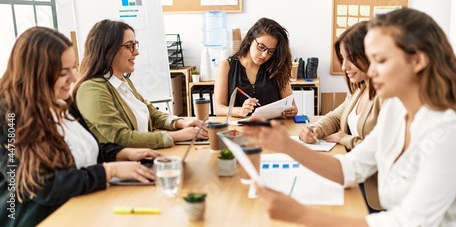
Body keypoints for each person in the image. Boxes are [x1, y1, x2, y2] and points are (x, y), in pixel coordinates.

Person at [243, 8, 456, 226]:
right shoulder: (396, 111)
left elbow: (406, 223)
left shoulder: (450, 129)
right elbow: (350, 168)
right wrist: (284, 144)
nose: (371, 71)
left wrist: (300, 214)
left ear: (418, 60)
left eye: (380, 60)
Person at [0, 27, 160, 227]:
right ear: (36, 74)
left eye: (74, 68)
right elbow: (41, 186)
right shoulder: (9, 117)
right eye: (63, 73)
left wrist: (121, 153)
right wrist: (108, 171)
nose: (74, 78)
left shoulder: (61, 101)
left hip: (85, 205)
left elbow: (84, 148)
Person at [73, 19, 208, 149]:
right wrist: (177, 136)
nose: (136, 52)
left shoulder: (123, 82)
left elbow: (151, 113)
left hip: (142, 156)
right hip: (121, 166)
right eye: (129, 46)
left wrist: (181, 122)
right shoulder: (91, 90)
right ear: (108, 51)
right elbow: (121, 138)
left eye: (135, 45)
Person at [299, 21, 384, 213]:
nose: (344, 66)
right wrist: (316, 129)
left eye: (350, 59)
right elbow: (336, 117)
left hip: (374, 191)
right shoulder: (360, 89)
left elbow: (383, 152)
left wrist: (345, 139)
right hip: (355, 176)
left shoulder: (385, 97)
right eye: (342, 59)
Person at [213, 17, 298, 118]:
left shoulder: (276, 67)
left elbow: (291, 105)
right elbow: (218, 108)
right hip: (237, 130)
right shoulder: (226, 66)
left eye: (271, 51)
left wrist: (292, 110)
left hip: (271, 130)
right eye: (261, 47)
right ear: (250, 39)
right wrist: (239, 111)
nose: (264, 55)